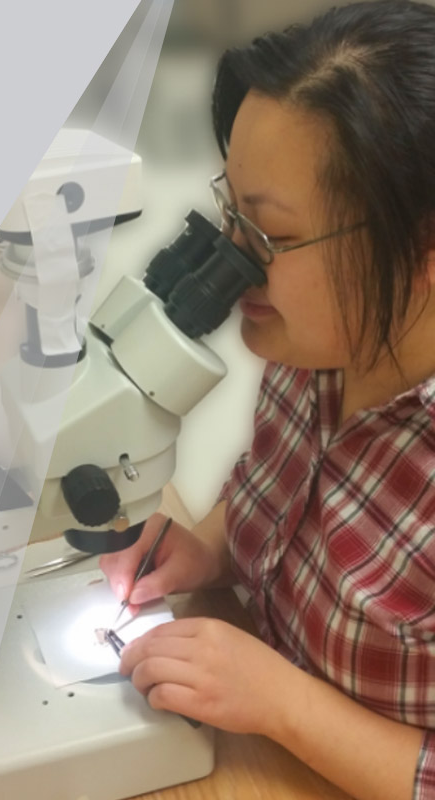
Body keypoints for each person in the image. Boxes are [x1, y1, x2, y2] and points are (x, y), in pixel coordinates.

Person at [99, 2, 435, 798]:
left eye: (272, 235)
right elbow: (287, 507)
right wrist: (209, 547)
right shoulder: (311, 346)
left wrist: (287, 705)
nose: (233, 258)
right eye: (232, 213)